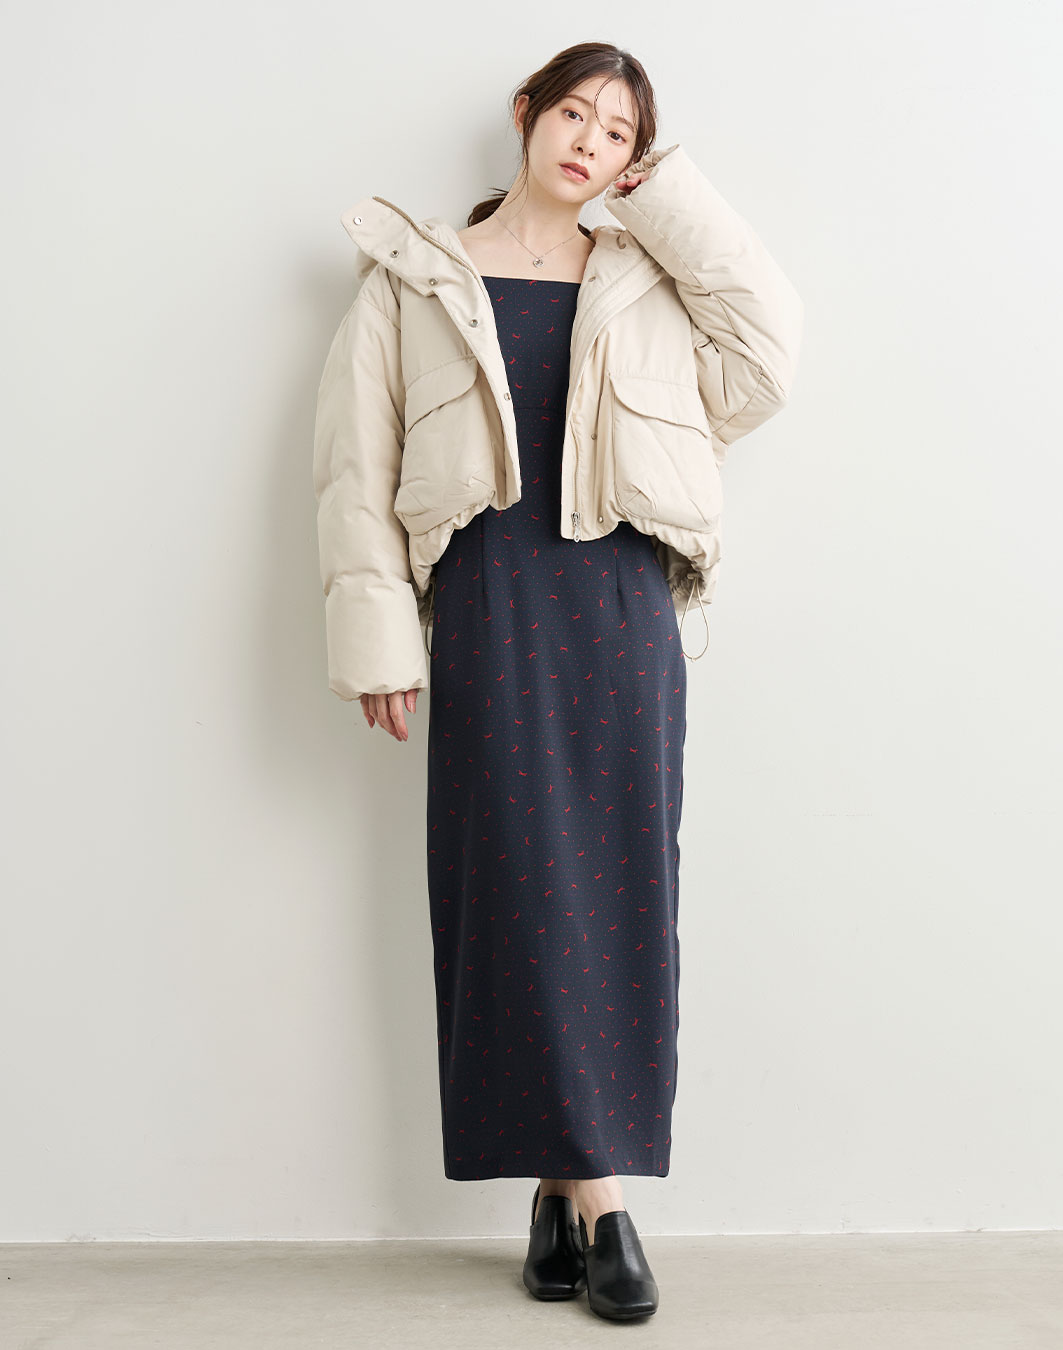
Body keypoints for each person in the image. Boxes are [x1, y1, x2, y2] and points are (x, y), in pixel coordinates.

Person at [313, 41, 804, 1322]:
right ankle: (604, 1203)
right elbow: (356, 468)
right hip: (489, 609)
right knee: (516, 894)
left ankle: (562, 1196)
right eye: (574, 112)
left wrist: (667, 199)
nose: (589, 140)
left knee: (620, 898)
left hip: (623, 609)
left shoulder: (643, 278)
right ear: (526, 115)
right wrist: (378, 639)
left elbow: (767, 358)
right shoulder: (415, 278)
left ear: (635, 157)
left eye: (619, 131)